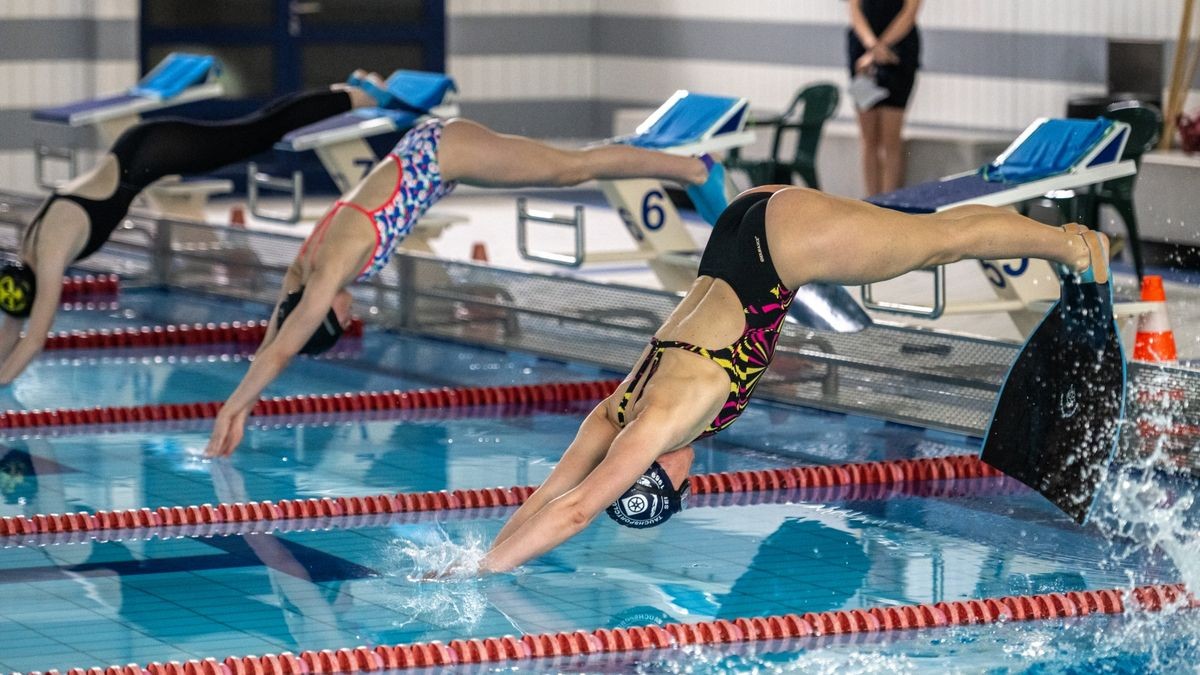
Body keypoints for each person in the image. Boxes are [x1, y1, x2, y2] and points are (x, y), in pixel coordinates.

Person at [469, 186, 1108, 575]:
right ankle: (1069, 245)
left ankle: (1076, 247)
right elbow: (549, 494)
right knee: (935, 241)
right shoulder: (615, 414)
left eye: (677, 489)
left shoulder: (663, 421)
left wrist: (479, 576)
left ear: (654, 471)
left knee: (941, 241)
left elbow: (579, 508)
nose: (691, 482)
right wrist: (480, 559)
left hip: (780, 247)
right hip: (734, 236)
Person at [203, 73, 729, 458]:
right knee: (568, 167)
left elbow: (283, 346)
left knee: (571, 168)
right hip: (432, 156)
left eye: (342, 318)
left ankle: (690, 168)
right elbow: (278, 331)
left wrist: (237, 407)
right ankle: (675, 164)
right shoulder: (305, 268)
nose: (351, 309)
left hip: (442, 155)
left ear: (324, 314)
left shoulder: (327, 273)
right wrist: (240, 397)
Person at [0, 78, 382, 384]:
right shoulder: (28, 253)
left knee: (259, 132)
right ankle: (343, 92)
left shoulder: (48, 254)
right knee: (255, 130)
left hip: (155, 152)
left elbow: (34, 339)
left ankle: (357, 96)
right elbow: (13, 326)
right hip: (140, 152)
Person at [847, 0, 922, 196]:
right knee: (868, 136)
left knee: (891, 137)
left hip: (899, 48)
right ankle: (871, 200)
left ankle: (889, 202)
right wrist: (871, 46)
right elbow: (854, 10)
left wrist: (883, 46)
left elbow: (910, 12)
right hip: (863, 50)